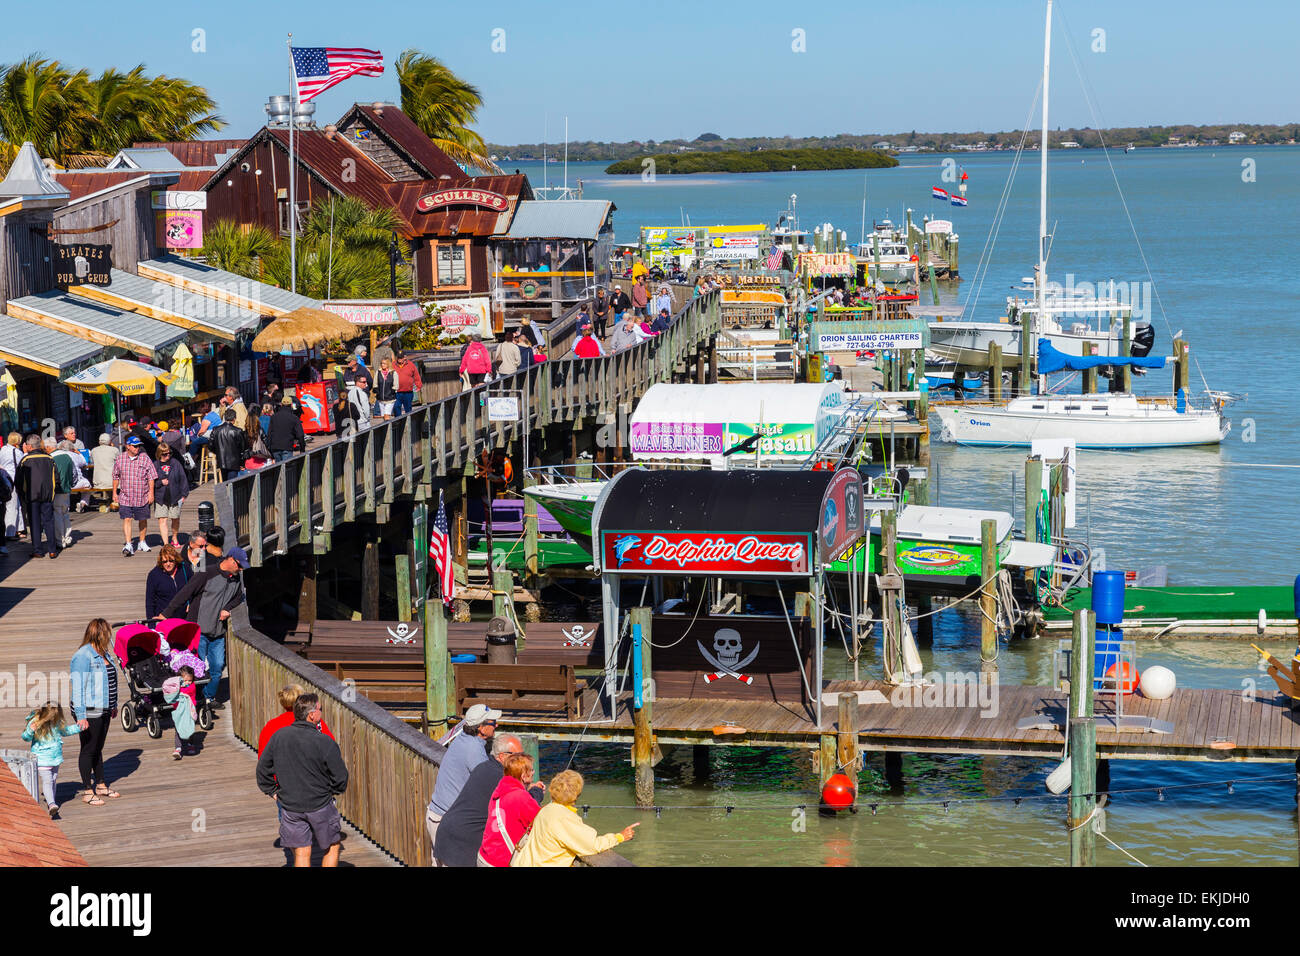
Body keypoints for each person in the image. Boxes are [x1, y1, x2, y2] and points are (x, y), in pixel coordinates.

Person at [256, 693, 349, 867]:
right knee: (332, 847)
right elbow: (341, 776)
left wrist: (273, 792)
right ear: (312, 715)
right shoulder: (324, 741)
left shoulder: (279, 736)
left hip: (290, 806)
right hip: (320, 804)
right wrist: (331, 791)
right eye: (320, 709)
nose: (321, 713)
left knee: (302, 853)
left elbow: (262, 769)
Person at [434, 734, 544, 867]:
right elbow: (523, 804)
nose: (522, 759)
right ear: (502, 757)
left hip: (447, 834)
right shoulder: (498, 778)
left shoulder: (485, 766)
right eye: (518, 756)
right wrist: (536, 792)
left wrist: (525, 788)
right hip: (462, 845)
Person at [161, 546, 248, 708]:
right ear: (230, 560)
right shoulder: (206, 573)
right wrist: (166, 613)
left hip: (218, 632)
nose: (241, 568)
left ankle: (208, 698)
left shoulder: (237, 578)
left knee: (217, 667)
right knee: (195, 669)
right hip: (198, 631)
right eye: (239, 564)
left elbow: (239, 597)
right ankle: (194, 698)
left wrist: (227, 609)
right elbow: (185, 593)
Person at [511, 770, 637, 867]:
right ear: (576, 794)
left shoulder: (546, 809)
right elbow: (591, 845)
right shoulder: (564, 818)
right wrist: (619, 837)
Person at [425, 703, 500, 860]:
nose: (497, 725)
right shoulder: (474, 750)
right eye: (493, 722)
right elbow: (488, 784)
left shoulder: (464, 738)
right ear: (481, 727)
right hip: (446, 820)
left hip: (438, 814)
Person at [70, 618, 121, 806]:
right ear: (100, 633)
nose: (110, 636)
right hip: (90, 709)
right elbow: (77, 687)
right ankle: (87, 790)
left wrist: (113, 704)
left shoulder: (104, 653)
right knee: (88, 748)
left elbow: (110, 681)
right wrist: (81, 715)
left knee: (98, 747)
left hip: (105, 708)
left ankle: (100, 784)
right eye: (107, 632)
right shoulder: (83, 656)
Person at [479, 751, 545, 867]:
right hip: (502, 861)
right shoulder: (521, 797)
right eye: (531, 770)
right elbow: (540, 823)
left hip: (485, 856)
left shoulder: (500, 790)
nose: (534, 772)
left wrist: (532, 791)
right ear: (524, 776)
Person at [22, 701, 81, 819]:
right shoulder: (35, 722)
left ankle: (51, 800)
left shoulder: (56, 722)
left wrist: (79, 727)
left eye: (56, 717)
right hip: (42, 758)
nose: (54, 719)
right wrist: (30, 731)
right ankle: (51, 804)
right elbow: (25, 737)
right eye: (53, 717)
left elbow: (65, 731)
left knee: (53, 780)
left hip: (55, 758)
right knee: (48, 781)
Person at [257, 684, 336, 756]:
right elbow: (331, 747)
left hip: (281, 770)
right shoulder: (313, 721)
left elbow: (263, 755)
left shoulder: (271, 725)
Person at [112, 435, 157, 556]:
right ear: (128, 446)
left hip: (142, 495)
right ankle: (128, 543)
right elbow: (115, 476)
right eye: (135, 446)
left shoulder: (145, 458)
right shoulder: (120, 459)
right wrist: (114, 492)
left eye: (139, 446)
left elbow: (151, 477)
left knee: (142, 519)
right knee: (127, 519)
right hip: (125, 495)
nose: (138, 448)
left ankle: (142, 541)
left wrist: (151, 493)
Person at [16, 433, 58, 559]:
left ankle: (38, 550)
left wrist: (22, 495)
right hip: (47, 495)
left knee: (34, 523)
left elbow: (18, 480)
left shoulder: (25, 460)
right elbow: (57, 478)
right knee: (49, 522)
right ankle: (52, 550)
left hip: (31, 495)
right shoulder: (49, 458)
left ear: (29, 446)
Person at [153, 442, 189, 549]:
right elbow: (151, 482)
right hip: (160, 497)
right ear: (159, 454)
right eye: (164, 454)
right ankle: (166, 543)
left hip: (175, 495)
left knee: (175, 518)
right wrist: (160, 482)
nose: (167, 456)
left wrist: (184, 494)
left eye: (169, 453)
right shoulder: (155, 465)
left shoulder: (175, 463)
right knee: (162, 519)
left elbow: (183, 479)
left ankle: (174, 537)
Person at [146, 544, 190, 620]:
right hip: (164, 618)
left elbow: (193, 588)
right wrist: (151, 624)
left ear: (176, 559)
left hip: (184, 616)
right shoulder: (154, 575)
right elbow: (150, 601)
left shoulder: (184, 569)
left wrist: (191, 603)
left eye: (171, 561)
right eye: (165, 561)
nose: (168, 564)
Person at [163, 666, 199, 759]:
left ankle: (190, 744)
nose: (188, 682)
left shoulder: (192, 687)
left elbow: (187, 693)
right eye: (185, 680)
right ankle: (178, 748)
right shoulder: (177, 687)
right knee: (178, 729)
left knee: (190, 728)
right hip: (179, 710)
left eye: (190, 680)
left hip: (189, 710)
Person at [48, 437, 76, 551]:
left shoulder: (51, 458)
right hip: (66, 489)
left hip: (57, 490)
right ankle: (67, 537)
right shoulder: (67, 456)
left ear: (49, 447)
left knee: (57, 514)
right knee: (65, 513)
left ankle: (60, 540)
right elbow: (74, 474)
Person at [0, 431, 25, 549]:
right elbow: (22, 464)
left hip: (4, 479)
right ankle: (10, 532)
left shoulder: (3, 449)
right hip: (14, 480)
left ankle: (18, 529)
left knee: (13, 505)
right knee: (13, 506)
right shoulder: (17, 452)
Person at [211, 409, 249, 481]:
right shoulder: (238, 431)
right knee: (232, 483)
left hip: (222, 461)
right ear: (234, 419)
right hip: (234, 462)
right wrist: (242, 463)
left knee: (225, 482)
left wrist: (218, 452)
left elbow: (211, 445)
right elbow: (243, 448)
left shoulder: (216, 430)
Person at [267, 394, 306, 462]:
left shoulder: (274, 417)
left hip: (275, 447)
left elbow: (270, 434)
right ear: (291, 405)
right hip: (287, 447)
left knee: (278, 470)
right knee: (286, 469)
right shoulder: (294, 418)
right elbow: (300, 435)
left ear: (281, 404)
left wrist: (270, 449)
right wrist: (302, 450)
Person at [342, 352, 372, 429]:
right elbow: (344, 381)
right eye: (347, 362)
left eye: (349, 361)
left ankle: (364, 424)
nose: (347, 363)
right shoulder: (347, 370)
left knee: (363, 409)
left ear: (354, 361)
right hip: (351, 395)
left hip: (362, 393)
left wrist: (365, 391)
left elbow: (370, 382)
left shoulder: (363, 370)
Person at [392, 349, 422, 416]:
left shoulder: (411, 365)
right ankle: (398, 422)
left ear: (405, 357)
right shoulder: (393, 365)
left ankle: (408, 423)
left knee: (408, 409)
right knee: (396, 407)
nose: (399, 359)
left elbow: (416, 376)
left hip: (408, 392)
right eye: (398, 357)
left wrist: (418, 385)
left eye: (401, 357)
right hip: (396, 392)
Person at [89, 432, 117, 499]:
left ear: (99, 441)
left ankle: (107, 501)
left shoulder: (93, 450)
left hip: (98, 482)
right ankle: (111, 501)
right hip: (112, 482)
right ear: (110, 441)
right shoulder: (115, 450)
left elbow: (91, 462)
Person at [374, 355, 399, 419]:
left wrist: (392, 391)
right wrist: (376, 389)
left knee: (387, 415)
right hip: (381, 399)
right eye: (382, 363)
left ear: (388, 364)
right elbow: (375, 383)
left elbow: (396, 385)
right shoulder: (378, 372)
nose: (382, 365)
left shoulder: (393, 373)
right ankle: (386, 428)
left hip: (390, 399)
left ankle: (388, 427)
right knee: (383, 416)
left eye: (384, 363)